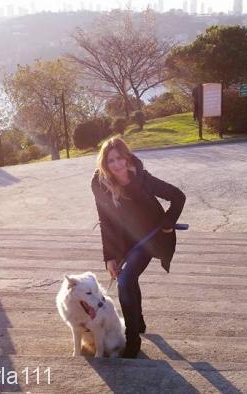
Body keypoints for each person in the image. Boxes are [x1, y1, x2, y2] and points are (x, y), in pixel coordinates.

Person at [91, 136, 186, 358]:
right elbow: (106, 220)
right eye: (111, 160)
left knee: (125, 279)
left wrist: (167, 224)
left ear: (127, 158)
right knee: (129, 278)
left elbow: (178, 197)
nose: (116, 165)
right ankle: (139, 321)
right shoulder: (99, 182)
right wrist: (110, 257)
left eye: (120, 159)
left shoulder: (141, 177)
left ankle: (132, 340)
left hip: (150, 238)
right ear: (104, 162)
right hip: (124, 241)